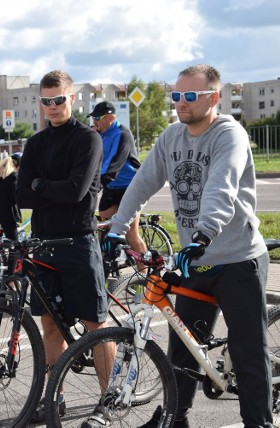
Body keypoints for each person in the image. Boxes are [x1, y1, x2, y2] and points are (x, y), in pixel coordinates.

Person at [103, 64, 272, 427]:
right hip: (196, 261)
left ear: (214, 97)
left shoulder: (229, 135)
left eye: (190, 96)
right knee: (182, 348)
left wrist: (204, 233)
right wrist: (117, 227)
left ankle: (258, 422)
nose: (181, 103)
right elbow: (143, 182)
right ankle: (173, 419)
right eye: (176, 96)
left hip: (236, 259)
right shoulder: (171, 137)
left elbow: (221, 188)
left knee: (248, 352)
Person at [15, 70, 115, 425]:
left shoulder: (88, 139)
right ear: (40, 103)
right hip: (43, 244)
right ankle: (53, 397)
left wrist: (40, 185)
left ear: (71, 99)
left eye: (59, 99)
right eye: (46, 101)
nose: (53, 107)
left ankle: (109, 399)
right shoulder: (36, 144)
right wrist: (46, 188)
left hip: (77, 241)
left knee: (95, 326)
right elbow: (21, 194)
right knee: (51, 327)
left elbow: (76, 192)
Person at [88, 101, 148, 262]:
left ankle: (147, 278)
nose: (94, 121)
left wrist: (94, 187)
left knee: (131, 233)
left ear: (111, 118)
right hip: (111, 187)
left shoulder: (122, 134)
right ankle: (107, 269)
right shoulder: (100, 134)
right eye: (93, 118)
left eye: (98, 118)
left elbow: (113, 165)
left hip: (130, 187)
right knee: (103, 230)